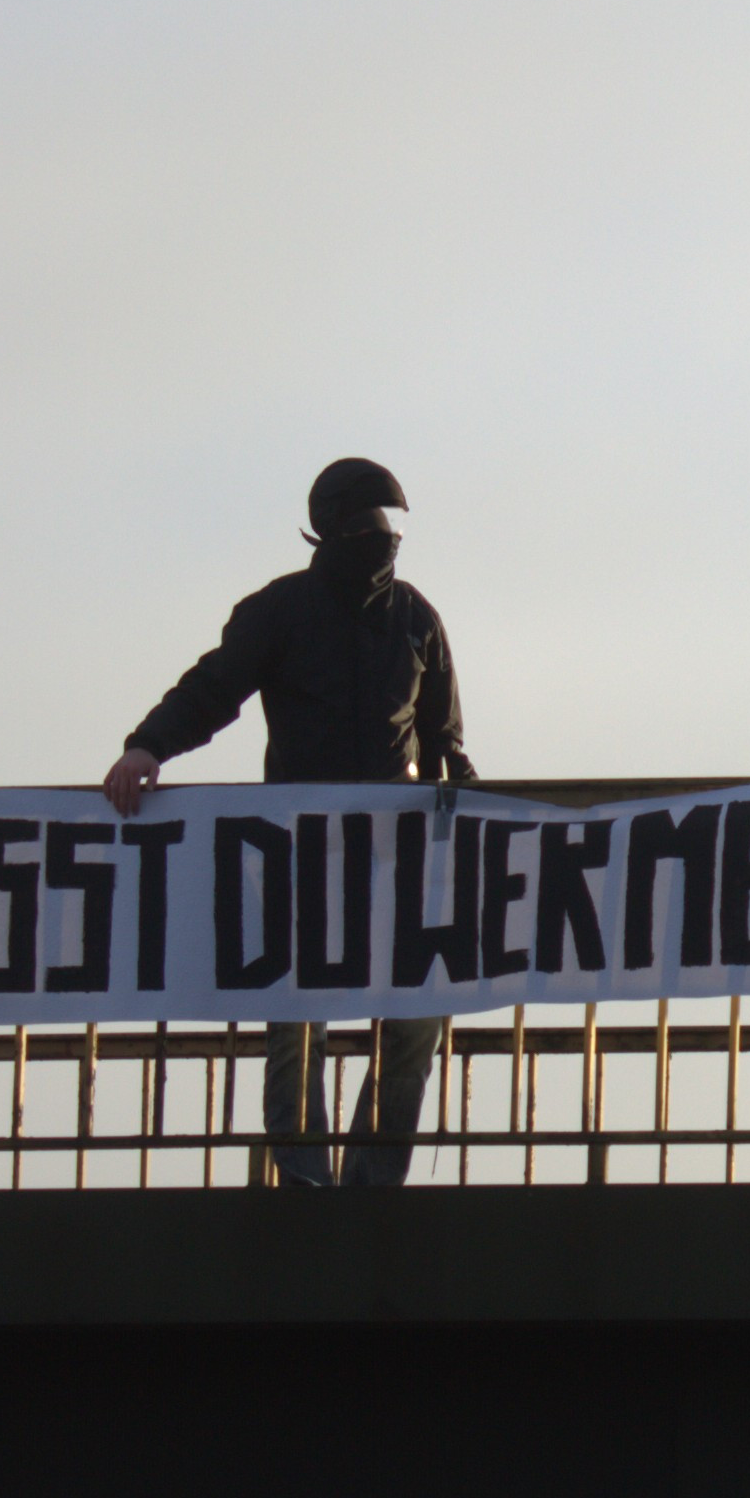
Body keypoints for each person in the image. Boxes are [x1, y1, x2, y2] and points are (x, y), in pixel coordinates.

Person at [105, 456, 474, 1188]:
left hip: (396, 855)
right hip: (301, 855)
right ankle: (304, 1181)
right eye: (369, 522)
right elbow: (213, 689)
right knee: (298, 1016)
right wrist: (148, 745)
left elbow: (445, 742)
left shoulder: (416, 619)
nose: (384, 536)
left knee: (416, 1019)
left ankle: (372, 1184)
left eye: (390, 524)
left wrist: (464, 812)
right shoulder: (280, 610)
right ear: (332, 528)